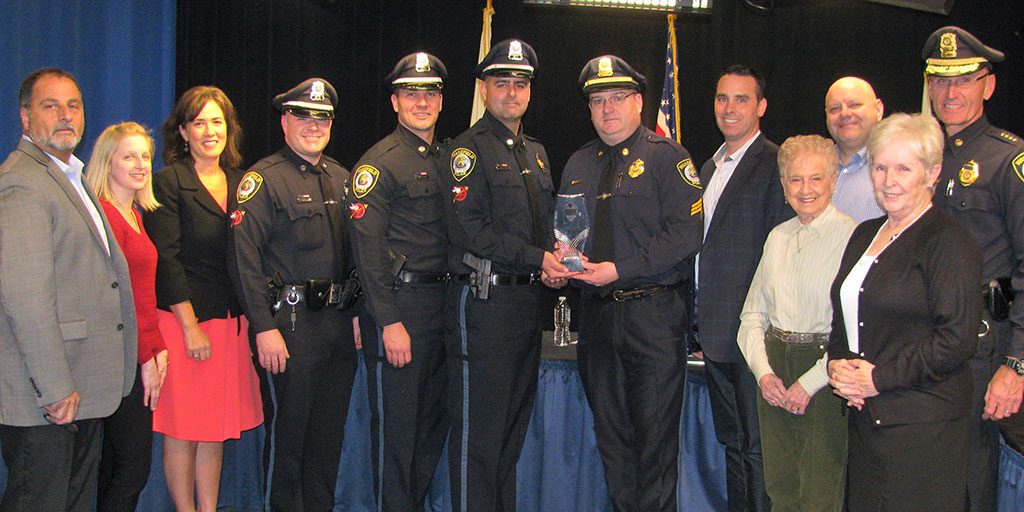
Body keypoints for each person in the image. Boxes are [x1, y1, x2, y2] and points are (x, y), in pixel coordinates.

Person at [557, 55, 702, 512]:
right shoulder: (579, 162)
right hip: (598, 318)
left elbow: (686, 235)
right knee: (612, 439)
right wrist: (558, 263)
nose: (607, 108)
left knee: (654, 444)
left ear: (639, 101)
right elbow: (565, 233)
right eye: (598, 100)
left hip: (653, 317)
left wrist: (618, 269)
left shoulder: (668, 158)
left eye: (618, 98)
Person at [828, 112, 983, 511]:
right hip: (868, 420)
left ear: (932, 173)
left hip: (922, 427)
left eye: (903, 168)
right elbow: (846, 316)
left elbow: (956, 340)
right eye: (880, 167)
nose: (889, 180)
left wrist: (878, 378)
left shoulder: (948, 242)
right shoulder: (865, 233)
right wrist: (838, 367)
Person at [441, 39, 570, 512]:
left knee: (511, 431)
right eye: (502, 84)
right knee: (479, 435)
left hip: (524, 305)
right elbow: (470, 229)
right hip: (483, 306)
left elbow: (544, 227)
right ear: (484, 89)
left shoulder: (535, 152)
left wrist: (555, 263)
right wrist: (538, 257)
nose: (512, 93)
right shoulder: (467, 152)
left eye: (520, 84)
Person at [0, 68, 137, 511]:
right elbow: (25, 297)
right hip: (45, 396)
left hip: (83, 387)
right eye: (50, 105)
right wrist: (55, 386)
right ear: (25, 118)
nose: (65, 116)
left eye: (73, 105)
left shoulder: (70, 177)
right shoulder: (23, 182)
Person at [228, 78, 358, 512]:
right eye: (303, 116)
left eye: (322, 118)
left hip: (338, 328)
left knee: (327, 442)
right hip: (290, 329)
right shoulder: (263, 180)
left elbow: (354, 257)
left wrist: (357, 314)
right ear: (285, 121)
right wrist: (264, 329)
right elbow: (243, 261)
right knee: (288, 444)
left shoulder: (342, 178)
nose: (313, 125)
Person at [144, 86, 263, 511]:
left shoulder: (241, 182)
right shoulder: (168, 182)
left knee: (214, 428)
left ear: (228, 129)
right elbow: (166, 259)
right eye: (199, 123)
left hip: (230, 323)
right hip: (185, 324)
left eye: (217, 122)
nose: (209, 131)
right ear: (183, 131)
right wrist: (190, 326)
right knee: (184, 429)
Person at [921, 26, 1024, 512]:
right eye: (940, 81)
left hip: (985, 344)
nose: (950, 92)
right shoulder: (922, 158)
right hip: (927, 338)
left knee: (972, 477)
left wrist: (1017, 364)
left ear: (988, 85)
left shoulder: (1009, 160)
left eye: (963, 80)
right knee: (929, 471)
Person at [347, 52, 450, 511]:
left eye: (429, 93)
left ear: (442, 101)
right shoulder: (379, 164)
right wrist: (388, 321)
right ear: (394, 101)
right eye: (411, 93)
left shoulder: (449, 159)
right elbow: (368, 254)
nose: (421, 102)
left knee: (431, 427)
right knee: (397, 433)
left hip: (443, 306)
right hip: (401, 309)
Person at [737, 135, 855, 512]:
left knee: (820, 490)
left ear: (834, 181)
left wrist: (810, 382)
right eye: (795, 179)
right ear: (783, 184)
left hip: (825, 371)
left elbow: (854, 330)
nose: (805, 189)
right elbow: (752, 316)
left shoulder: (855, 238)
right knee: (781, 487)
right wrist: (763, 373)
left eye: (816, 178)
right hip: (773, 368)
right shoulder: (777, 237)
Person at [696, 64, 793, 512]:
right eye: (722, 98)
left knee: (758, 450)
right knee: (734, 446)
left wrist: (762, 330)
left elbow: (779, 254)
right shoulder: (708, 165)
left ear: (761, 107)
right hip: (715, 334)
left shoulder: (776, 163)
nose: (730, 108)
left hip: (754, 335)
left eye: (741, 99)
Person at [84, 122, 169, 511]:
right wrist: (146, 357)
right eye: (129, 156)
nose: (140, 165)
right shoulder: (103, 217)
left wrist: (158, 347)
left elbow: (144, 293)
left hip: (137, 355)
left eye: (146, 156)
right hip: (119, 361)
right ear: (107, 162)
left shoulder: (133, 212)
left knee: (118, 467)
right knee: (129, 469)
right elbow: (117, 299)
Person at [824, 77, 885, 222]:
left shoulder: (895, 169)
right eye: (835, 108)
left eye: (854, 104)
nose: (844, 114)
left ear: (878, 109)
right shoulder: (814, 167)